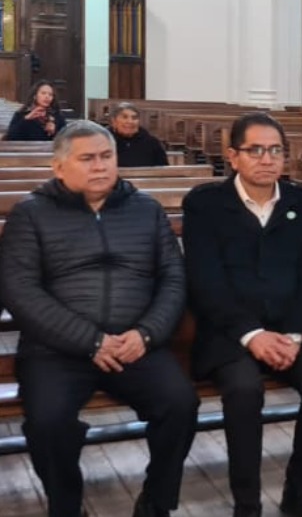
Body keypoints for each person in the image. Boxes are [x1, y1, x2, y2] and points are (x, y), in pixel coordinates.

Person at [0, 120, 198, 517]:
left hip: (135, 344)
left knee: (180, 405)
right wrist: (89, 341)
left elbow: (173, 279)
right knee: (48, 422)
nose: (100, 166)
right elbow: (20, 292)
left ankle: (157, 501)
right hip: (57, 351)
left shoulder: (145, 209)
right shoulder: (31, 214)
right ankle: (67, 505)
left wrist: (146, 333)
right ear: (58, 167)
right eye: (87, 158)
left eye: (106, 156)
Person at [183, 113, 302, 517]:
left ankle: (300, 492)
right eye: (256, 150)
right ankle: (247, 503)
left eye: (275, 151)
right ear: (233, 156)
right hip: (230, 333)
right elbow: (205, 281)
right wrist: (252, 334)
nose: (266, 159)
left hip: (293, 333)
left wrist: (295, 336)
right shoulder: (205, 205)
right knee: (243, 390)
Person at [110, 102, 169, 167]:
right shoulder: (104, 141)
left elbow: (164, 170)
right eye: (124, 117)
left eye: (134, 118)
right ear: (114, 121)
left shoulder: (151, 142)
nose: (130, 121)